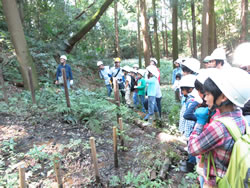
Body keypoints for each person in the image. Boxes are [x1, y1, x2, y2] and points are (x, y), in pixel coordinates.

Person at [188, 67, 250, 187]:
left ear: (223, 97)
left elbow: (192, 149)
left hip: (217, 182)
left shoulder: (219, 127)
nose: (205, 98)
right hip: (233, 178)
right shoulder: (240, 118)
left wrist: (199, 123)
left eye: (208, 94)